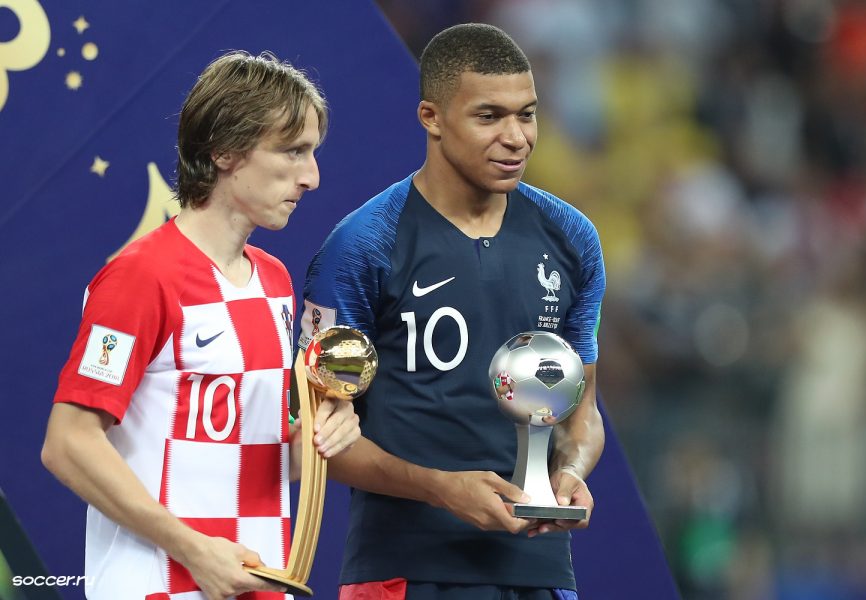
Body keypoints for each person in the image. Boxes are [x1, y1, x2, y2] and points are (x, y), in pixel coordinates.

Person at [298, 23, 606, 600]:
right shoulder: (363, 245)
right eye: (489, 117)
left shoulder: (573, 240)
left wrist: (570, 473)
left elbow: (581, 413)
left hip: (540, 574)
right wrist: (442, 488)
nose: (516, 137)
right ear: (431, 117)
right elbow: (316, 438)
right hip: (403, 570)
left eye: (528, 114)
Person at [41, 51, 360, 600]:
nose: (312, 177)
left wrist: (324, 439)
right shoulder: (141, 276)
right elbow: (67, 444)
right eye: (292, 151)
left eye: (313, 153)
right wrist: (193, 548)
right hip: (153, 587)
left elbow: (247, 458)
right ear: (225, 151)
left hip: (260, 582)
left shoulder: (276, 282)